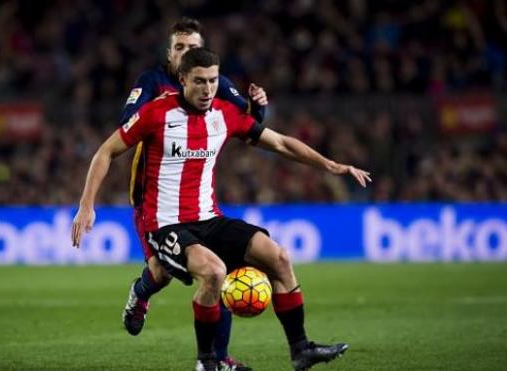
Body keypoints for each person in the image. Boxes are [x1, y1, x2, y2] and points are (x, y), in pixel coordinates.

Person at [72, 47, 371, 371]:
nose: (207, 89)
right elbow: (104, 152)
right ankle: (208, 362)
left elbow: (281, 143)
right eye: (199, 81)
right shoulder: (156, 113)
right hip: (165, 225)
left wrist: (331, 165)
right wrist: (86, 206)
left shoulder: (225, 114)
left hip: (210, 219)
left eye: (213, 81)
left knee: (279, 258)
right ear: (183, 79)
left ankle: (301, 350)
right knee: (213, 272)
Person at [118, 17, 266, 371]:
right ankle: (140, 294)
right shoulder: (152, 82)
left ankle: (219, 358)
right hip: (153, 199)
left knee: (221, 274)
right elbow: (129, 121)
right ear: (169, 54)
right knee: (161, 272)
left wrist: (259, 105)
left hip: (199, 201)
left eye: (192, 47)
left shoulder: (215, 82)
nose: (187, 53)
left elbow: (247, 122)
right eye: (180, 48)